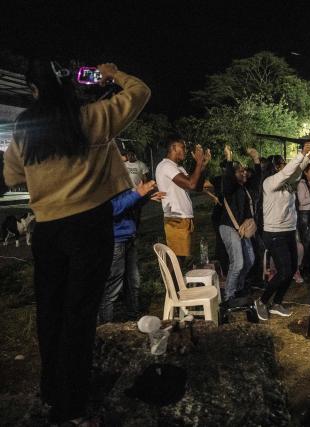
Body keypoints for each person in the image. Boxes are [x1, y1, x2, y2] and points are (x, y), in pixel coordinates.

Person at [2, 60, 150, 425]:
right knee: (79, 316)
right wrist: (114, 73)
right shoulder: (93, 117)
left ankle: (52, 391)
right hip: (89, 227)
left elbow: (10, 175)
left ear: (35, 91)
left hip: (48, 231)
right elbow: (141, 92)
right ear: (70, 86)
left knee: (50, 313)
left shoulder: (26, 129)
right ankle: (74, 404)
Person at [254, 142, 310, 320]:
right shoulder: (269, 182)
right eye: (280, 163)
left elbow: (294, 173)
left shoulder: (288, 183)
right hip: (274, 233)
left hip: (288, 231)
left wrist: (306, 157)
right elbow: (288, 172)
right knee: (285, 270)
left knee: (292, 268)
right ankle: (262, 301)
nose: (283, 166)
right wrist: (300, 154)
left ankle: (277, 303)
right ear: (273, 167)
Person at [98, 180, 163, 324]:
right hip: (116, 240)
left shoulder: (120, 181)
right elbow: (114, 209)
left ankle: (133, 321)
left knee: (133, 282)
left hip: (129, 238)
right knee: (113, 287)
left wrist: (144, 197)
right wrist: (138, 193)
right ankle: (106, 327)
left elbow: (129, 204)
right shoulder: (104, 182)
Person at [155, 135, 211, 265]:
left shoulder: (178, 168)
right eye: (183, 147)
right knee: (175, 259)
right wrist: (197, 163)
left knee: (181, 258)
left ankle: (175, 283)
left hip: (184, 218)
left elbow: (196, 186)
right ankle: (172, 284)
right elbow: (190, 184)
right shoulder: (166, 166)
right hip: (176, 219)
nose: (185, 150)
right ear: (173, 147)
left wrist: (201, 166)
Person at [219, 145, 261, 301]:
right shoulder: (230, 188)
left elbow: (257, 179)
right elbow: (228, 177)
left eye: (244, 171)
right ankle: (229, 296)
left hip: (242, 229)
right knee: (237, 263)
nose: (244, 172)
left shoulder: (246, 188)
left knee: (249, 261)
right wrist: (229, 159)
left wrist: (255, 159)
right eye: (240, 171)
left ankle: (238, 287)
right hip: (229, 227)